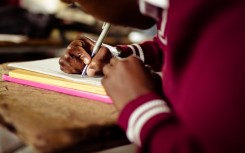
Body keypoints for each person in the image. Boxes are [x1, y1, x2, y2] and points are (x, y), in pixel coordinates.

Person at [59, 0, 245, 152]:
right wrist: (117, 55)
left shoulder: (232, 26)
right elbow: (171, 44)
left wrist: (140, 106)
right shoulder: (175, 9)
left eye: (76, 1)